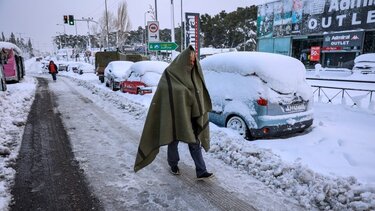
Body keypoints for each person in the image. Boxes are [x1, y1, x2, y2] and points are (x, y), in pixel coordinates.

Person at [134, 46, 213, 179]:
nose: (192, 63)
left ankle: (201, 171)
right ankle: (173, 164)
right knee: (173, 138)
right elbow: (165, 91)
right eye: (190, 60)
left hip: (192, 115)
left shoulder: (195, 75)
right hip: (175, 114)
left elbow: (200, 93)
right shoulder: (170, 74)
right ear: (183, 60)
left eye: (194, 60)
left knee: (195, 142)